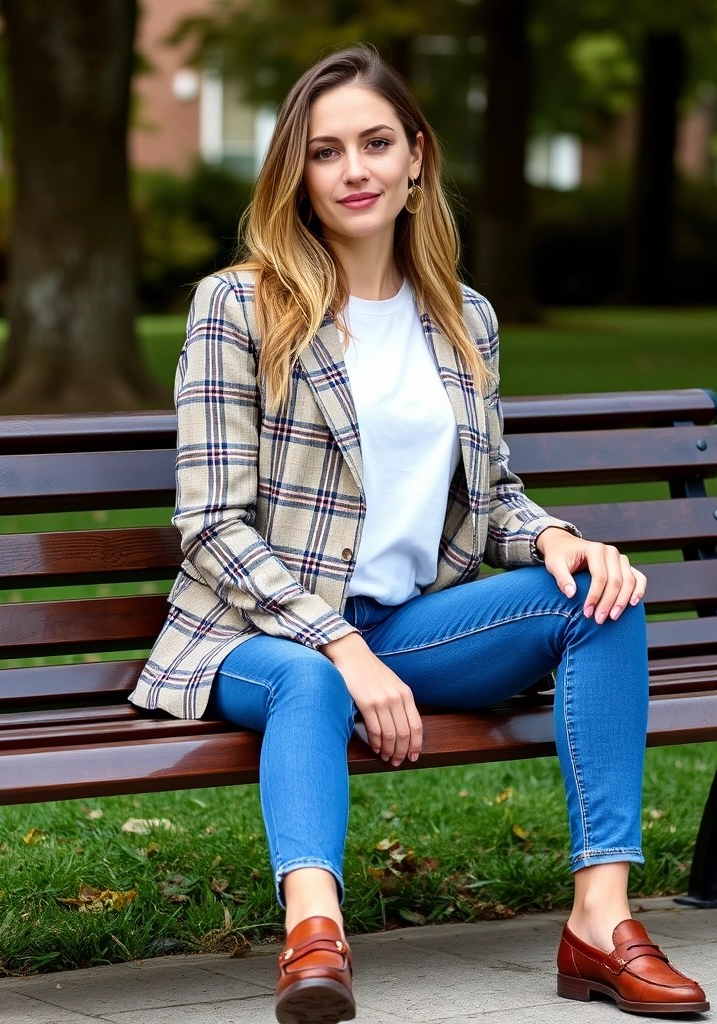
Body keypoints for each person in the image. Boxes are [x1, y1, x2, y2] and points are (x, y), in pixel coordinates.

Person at [130, 44, 708, 1024]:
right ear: (296, 174)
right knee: (311, 677)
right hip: (252, 635)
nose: (353, 170)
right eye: (325, 152)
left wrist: (555, 539)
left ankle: (601, 921)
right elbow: (211, 524)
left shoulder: (464, 318)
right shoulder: (240, 305)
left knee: (600, 598)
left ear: (416, 157)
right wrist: (340, 645)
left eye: (375, 143)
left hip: (403, 627)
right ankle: (315, 936)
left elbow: (494, 491)